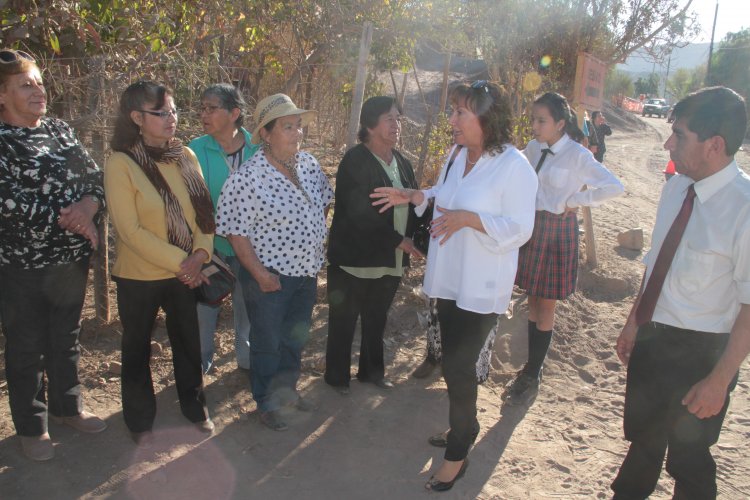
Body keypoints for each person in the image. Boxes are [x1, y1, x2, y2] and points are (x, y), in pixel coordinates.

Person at [372, 81, 537, 492]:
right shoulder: (457, 154)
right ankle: (464, 425)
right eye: (452, 112)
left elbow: (521, 229)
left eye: (461, 112)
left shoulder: (515, 166)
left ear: (487, 117)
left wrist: (470, 219)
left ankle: (458, 451)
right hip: (448, 277)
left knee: (460, 367)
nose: (452, 121)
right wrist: (413, 194)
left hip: (481, 284)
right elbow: (443, 195)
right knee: (451, 363)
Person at [612, 86, 750, 499]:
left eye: (680, 135)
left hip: (703, 353)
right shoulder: (676, 187)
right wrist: (634, 322)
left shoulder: (744, 208)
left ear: (715, 145)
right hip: (655, 338)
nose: (668, 143)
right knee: (643, 442)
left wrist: (720, 380)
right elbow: (656, 264)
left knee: (688, 459)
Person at [0, 48, 106, 461]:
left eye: (39, 83)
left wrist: (89, 209)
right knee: (26, 344)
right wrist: (75, 219)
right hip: (22, 264)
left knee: (65, 338)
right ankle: (31, 425)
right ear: (2, 96)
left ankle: (68, 408)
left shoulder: (61, 130)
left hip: (70, 260)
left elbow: (94, 178)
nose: (37, 91)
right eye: (25, 85)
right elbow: (8, 204)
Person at [105, 80, 215, 446]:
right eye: (161, 112)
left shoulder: (185, 156)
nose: (172, 118)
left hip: (187, 270)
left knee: (188, 341)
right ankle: (139, 421)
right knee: (136, 348)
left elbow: (204, 213)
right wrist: (184, 261)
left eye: (173, 110)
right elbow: (129, 230)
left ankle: (194, 408)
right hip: (140, 275)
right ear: (137, 117)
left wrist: (201, 253)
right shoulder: (121, 163)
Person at [216, 93, 333, 431]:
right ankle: (267, 401)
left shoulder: (308, 165)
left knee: (294, 338)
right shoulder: (246, 180)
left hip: (306, 273)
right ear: (265, 134)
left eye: (298, 126)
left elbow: (323, 201)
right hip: (268, 277)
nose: (297, 133)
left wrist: (309, 238)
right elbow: (237, 236)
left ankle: (287, 394)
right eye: (287, 127)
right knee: (267, 342)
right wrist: (261, 274)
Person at [507, 92, 624, 406]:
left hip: (557, 232)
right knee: (532, 300)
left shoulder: (577, 155)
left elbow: (614, 186)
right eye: (533, 119)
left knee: (546, 306)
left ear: (560, 123)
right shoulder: (532, 149)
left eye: (541, 120)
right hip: (531, 228)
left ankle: (533, 372)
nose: (534, 125)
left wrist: (575, 201)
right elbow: (509, 169)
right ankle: (532, 367)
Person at [325, 96, 422, 394]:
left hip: (390, 258)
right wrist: (399, 241)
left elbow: (415, 203)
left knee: (377, 318)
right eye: (389, 118)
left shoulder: (402, 162)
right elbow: (359, 214)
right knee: (343, 320)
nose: (397, 125)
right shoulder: (355, 160)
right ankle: (336, 377)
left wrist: (415, 239)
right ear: (370, 124)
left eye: (398, 118)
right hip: (355, 258)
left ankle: (372, 372)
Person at [189, 83, 258, 374]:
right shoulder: (194, 149)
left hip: (251, 247)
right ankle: (201, 359)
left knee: (247, 305)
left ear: (234, 113)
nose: (204, 113)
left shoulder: (258, 148)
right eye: (202, 108)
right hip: (210, 246)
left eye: (211, 108)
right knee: (206, 306)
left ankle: (246, 356)